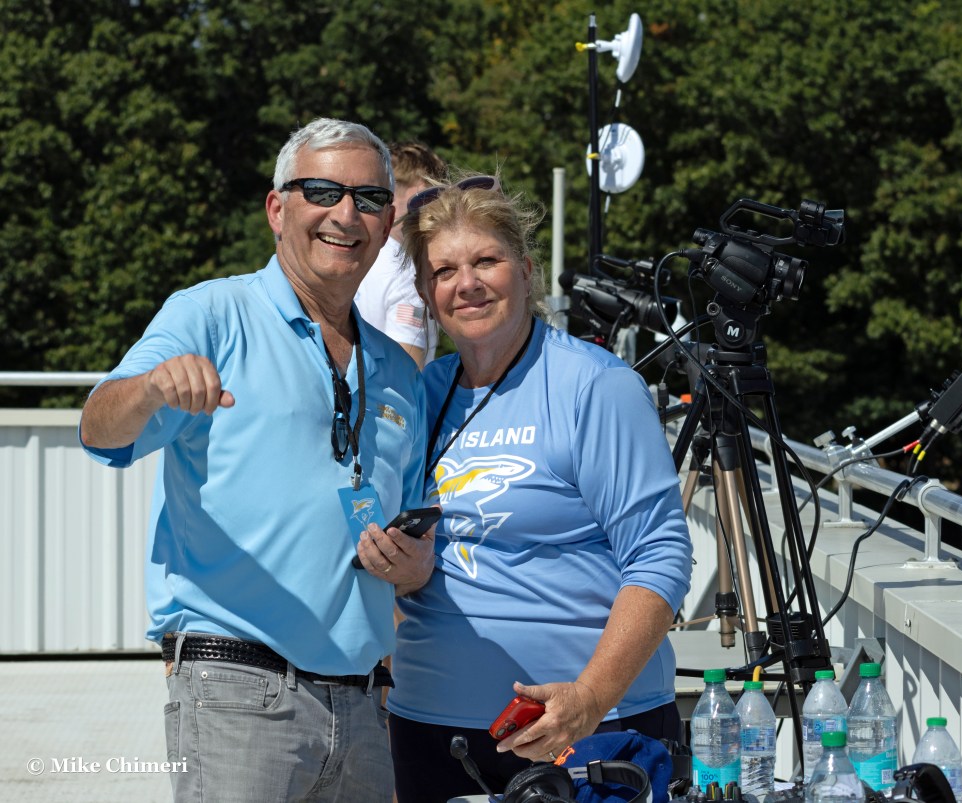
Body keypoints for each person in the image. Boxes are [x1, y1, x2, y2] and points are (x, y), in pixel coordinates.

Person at [78, 118, 436, 803]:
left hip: (365, 706)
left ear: (388, 222)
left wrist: (415, 566)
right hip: (239, 692)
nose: (345, 214)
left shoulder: (398, 371)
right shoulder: (212, 313)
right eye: (322, 191)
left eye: (368, 198)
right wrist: (150, 387)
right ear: (277, 208)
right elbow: (100, 431)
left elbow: (416, 543)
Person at [386, 174, 693, 802]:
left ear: (527, 272)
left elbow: (660, 555)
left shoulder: (595, 386)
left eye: (486, 261)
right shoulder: (420, 396)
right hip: (432, 732)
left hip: (588, 732)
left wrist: (589, 698)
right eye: (444, 271)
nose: (466, 283)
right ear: (425, 292)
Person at [355, 141, 445, 368]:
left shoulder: (352, 255)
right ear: (422, 192)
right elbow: (406, 371)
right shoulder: (406, 274)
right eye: (437, 196)